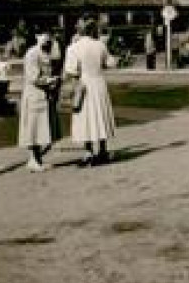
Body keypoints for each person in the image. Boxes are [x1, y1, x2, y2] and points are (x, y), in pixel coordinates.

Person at [65, 18, 117, 167]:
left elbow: (70, 70)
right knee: (100, 114)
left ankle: (88, 151)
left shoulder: (73, 48)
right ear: (94, 31)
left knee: (85, 117)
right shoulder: (100, 45)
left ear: (80, 31)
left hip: (83, 84)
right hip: (99, 83)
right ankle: (102, 150)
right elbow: (110, 63)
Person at [17, 32, 60, 172]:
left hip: (44, 95)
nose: (48, 43)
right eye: (46, 40)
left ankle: (38, 159)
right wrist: (51, 80)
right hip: (34, 94)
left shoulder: (46, 53)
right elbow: (33, 77)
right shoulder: (32, 54)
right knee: (33, 128)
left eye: (49, 40)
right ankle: (32, 159)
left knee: (42, 128)